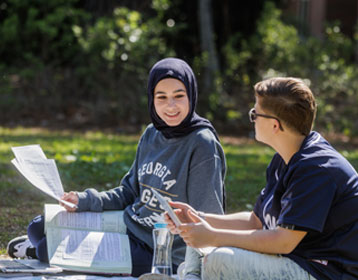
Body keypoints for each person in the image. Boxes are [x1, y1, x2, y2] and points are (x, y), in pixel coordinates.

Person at [7, 58, 226, 278]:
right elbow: (129, 192)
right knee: (37, 227)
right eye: (162, 97)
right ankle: (44, 247)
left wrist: (194, 269)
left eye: (179, 96)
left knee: (46, 248)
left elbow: (208, 217)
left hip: (161, 250)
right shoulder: (152, 133)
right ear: (152, 99)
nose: (171, 106)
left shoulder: (202, 144)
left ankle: (38, 251)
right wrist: (84, 200)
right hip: (128, 224)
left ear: (191, 95)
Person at [165, 77, 358, 280]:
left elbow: (283, 242)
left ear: (274, 125)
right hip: (297, 260)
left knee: (220, 260)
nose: (252, 118)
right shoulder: (285, 158)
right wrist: (199, 217)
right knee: (197, 235)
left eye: (255, 113)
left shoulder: (316, 169)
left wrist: (213, 236)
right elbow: (256, 221)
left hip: (327, 272)